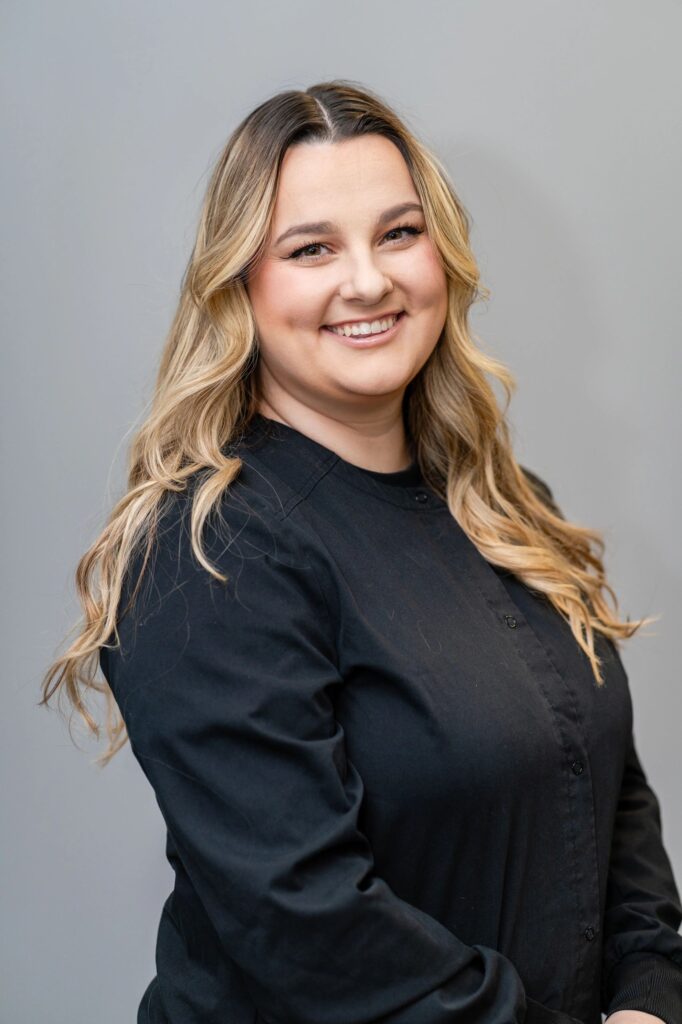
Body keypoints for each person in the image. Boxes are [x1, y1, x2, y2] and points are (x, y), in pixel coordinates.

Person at [40, 79, 682, 1024]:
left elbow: (604, 787)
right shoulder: (209, 551)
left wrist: (651, 994)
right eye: (311, 249)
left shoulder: (505, 505)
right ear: (239, 284)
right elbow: (310, 930)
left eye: (398, 233)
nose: (369, 281)